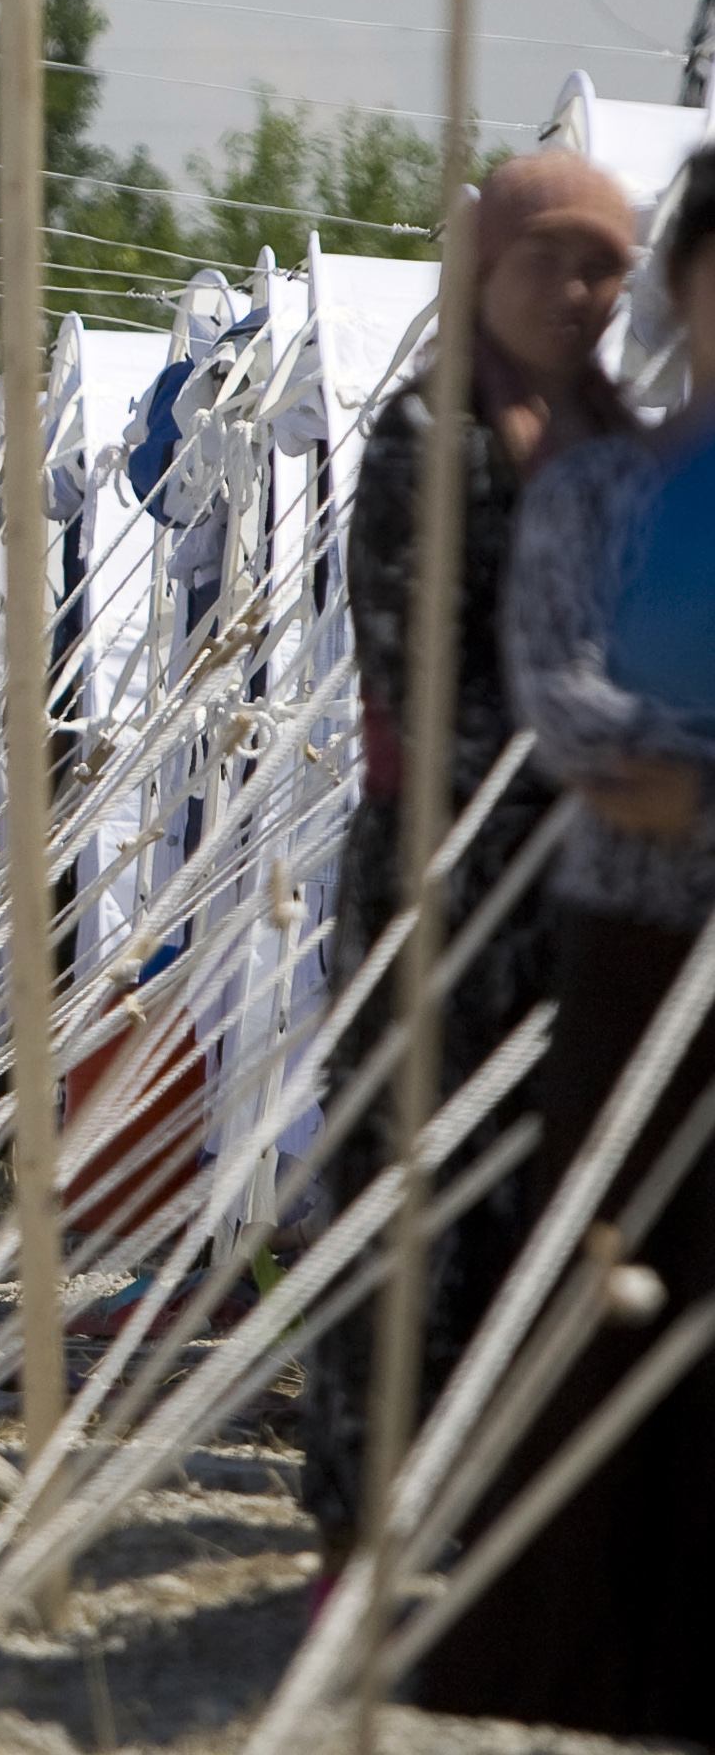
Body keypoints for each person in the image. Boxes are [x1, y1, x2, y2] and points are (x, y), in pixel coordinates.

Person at [293, 151, 636, 1575]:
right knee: (409, 1172)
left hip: (592, 879)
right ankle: (367, 1520)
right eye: (549, 259)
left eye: (606, 265)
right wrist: (600, 756)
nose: (579, 292)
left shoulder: (624, 446)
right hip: (443, 871)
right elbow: (421, 677)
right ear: (483, 268)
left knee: (541, 1185)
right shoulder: (426, 441)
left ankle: (501, 1529)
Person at [431, 144, 715, 1740]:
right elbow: (562, 685)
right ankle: (585, 1647)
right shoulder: (613, 486)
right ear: (690, 294)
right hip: (638, 936)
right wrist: (672, 764)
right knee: (615, 1282)